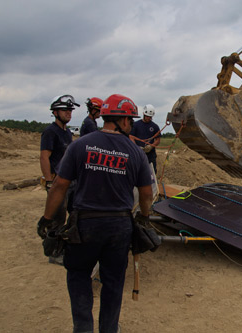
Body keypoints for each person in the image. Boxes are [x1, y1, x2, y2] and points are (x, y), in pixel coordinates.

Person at [37, 94, 153, 333]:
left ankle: (83, 328)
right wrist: (144, 217)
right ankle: (109, 329)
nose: (131, 125)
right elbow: (146, 193)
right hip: (119, 228)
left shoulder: (80, 145)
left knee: (79, 276)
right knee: (113, 282)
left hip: (84, 227)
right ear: (122, 121)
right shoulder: (135, 152)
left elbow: (59, 185)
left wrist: (46, 219)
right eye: (130, 120)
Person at [40, 94, 79, 265]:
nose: (69, 113)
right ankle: (54, 253)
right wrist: (49, 182)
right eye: (65, 111)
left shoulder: (67, 132)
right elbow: (44, 157)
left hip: (70, 181)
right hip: (58, 182)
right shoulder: (50, 132)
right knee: (57, 217)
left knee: (74, 212)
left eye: (70, 110)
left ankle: (67, 244)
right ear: (55, 112)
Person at [130, 104, 161, 174]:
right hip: (137, 154)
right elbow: (131, 137)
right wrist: (136, 148)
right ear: (144, 114)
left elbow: (158, 140)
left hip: (150, 155)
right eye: (147, 116)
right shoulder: (135, 125)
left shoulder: (155, 126)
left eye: (150, 117)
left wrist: (151, 146)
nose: (148, 118)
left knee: (151, 173)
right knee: (137, 172)